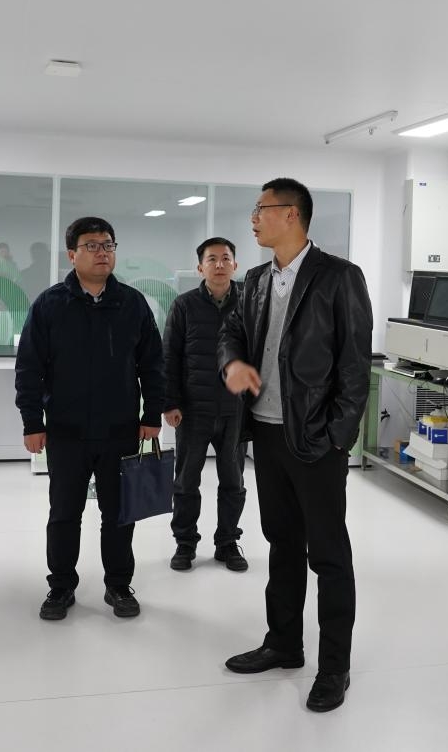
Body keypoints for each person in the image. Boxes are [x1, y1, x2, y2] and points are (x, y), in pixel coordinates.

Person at [217, 178, 373, 713]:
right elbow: (231, 333)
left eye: (260, 209)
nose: (253, 219)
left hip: (315, 439)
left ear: (291, 215)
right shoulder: (256, 279)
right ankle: (284, 644)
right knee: (282, 543)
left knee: (328, 555)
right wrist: (231, 363)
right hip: (266, 432)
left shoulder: (339, 277)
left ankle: (334, 668)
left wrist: (337, 439)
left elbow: (355, 366)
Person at [15, 217, 165, 621]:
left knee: (119, 515)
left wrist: (152, 413)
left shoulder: (132, 303)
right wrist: (32, 422)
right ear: (72, 254)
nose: (103, 253)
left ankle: (118, 585)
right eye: (92, 245)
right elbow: (29, 367)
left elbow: (153, 364)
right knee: (65, 514)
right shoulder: (50, 305)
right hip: (66, 432)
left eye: (108, 245)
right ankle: (61, 586)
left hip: (120, 431)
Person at [162, 237, 247, 573]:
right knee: (186, 482)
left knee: (233, 481)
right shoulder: (184, 306)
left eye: (226, 258)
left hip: (235, 410)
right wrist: (170, 402)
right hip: (193, 410)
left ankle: (227, 542)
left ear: (235, 265)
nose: (219, 264)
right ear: (200, 268)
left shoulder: (250, 303)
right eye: (212, 259)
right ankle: (185, 543)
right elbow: (169, 357)